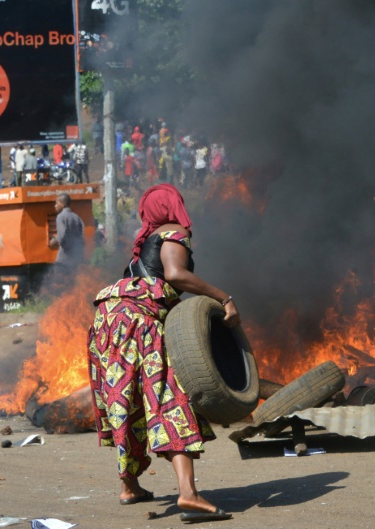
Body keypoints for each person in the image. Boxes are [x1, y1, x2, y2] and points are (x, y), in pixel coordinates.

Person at [87, 184, 238, 523]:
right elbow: (175, 274)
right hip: (140, 321)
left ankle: (129, 486)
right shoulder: (173, 231)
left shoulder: (142, 247)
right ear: (173, 206)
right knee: (170, 400)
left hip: (108, 323)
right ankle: (188, 494)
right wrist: (224, 298)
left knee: (126, 402)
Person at [48, 193, 84, 273]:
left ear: (63, 204)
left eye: (56, 203)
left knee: (59, 277)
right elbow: (80, 235)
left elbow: (62, 234)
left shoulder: (60, 217)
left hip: (64, 257)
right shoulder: (76, 217)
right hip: (76, 256)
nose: (55, 206)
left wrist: (53, 241)